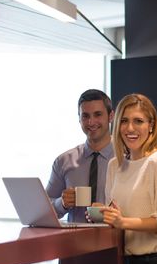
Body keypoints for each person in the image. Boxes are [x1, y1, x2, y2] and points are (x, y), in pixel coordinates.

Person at [94, 93, 157, 264]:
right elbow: (117, 215)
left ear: (151, 126)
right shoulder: (114, 165)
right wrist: (103, 214)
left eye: (138, 121)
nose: (130, 128)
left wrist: (122, 221)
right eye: (124, 121)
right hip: (121, 260)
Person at [46, 89, 114, 223]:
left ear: (111, 116)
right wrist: (62, 203)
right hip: (74, 242)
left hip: (118, 241)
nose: (91, 122)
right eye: (85, 116)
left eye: (98, 114)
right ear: (79, 118)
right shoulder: (63, 161)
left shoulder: (128, 158)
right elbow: (44, 208)